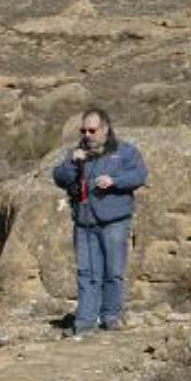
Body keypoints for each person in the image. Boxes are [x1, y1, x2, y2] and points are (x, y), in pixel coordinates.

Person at [52, 107, 147, 337]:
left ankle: (110, 316)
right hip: (84, 222)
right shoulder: (76, 154)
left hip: (114, 221)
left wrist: (114, 180)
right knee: (86, 272)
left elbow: (139, 175)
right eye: (83, 130)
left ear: (105, 129)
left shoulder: (125, 152)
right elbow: (59, 177)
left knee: (113, 271)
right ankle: (85, 321)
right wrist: (71, 164)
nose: (87, 134)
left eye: (92, 130)